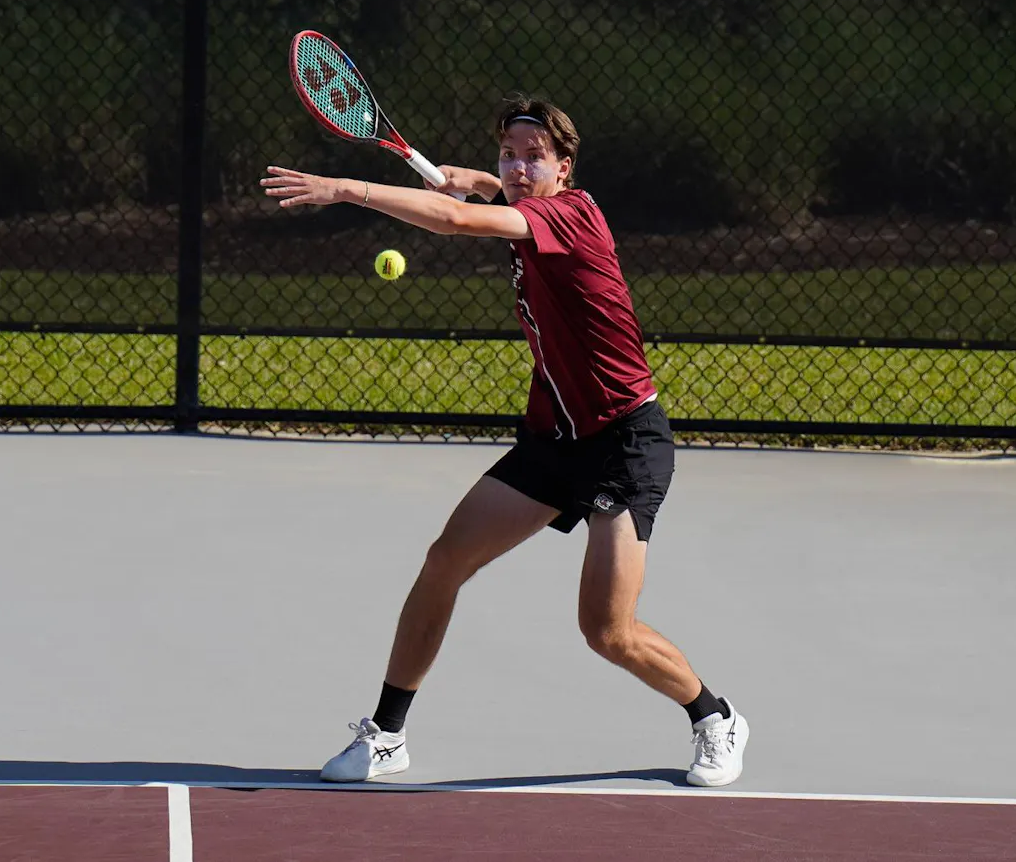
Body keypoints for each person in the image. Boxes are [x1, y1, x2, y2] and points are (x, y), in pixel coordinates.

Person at [259, 95, 748, 787]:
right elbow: (488, 199)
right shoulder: (530, 202)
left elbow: (459, 220)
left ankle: (715, 714)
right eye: (508, 154)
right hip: (556, 436)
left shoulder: (573, 216)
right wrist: (481, 179)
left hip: (624, 440)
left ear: (565, 167)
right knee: (444, 560)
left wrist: (344, 188)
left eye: (534, 156)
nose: (518, 167)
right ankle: (387, 736)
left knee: (607, 630)